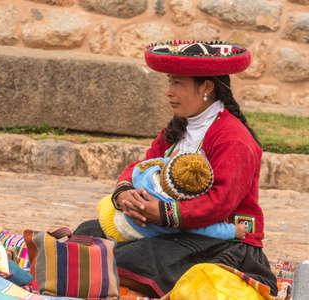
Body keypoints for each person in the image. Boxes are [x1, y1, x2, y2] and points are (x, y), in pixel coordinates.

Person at [74, 40, 278, 297]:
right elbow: (143, 165)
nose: (168, 92)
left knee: (129, 259)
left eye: (177, 83)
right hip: (168, 230)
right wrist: (125, 194)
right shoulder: (179, 128)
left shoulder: (234, 139)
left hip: (219, 241)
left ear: (207, 87)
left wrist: (162, 213)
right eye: (170, 82)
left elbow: (219, 203)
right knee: (87, 234)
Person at [97, 152, 248, 241]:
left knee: (105, 203)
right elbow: (206, 229)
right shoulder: (172, 205)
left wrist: (123, 191)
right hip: (130, 234)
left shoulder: (147, 174)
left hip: (113, 217)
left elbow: (142, 165)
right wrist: (234, 231)